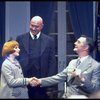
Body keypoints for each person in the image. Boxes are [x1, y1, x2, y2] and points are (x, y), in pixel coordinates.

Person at [32, 35, 100, 98]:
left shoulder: (95, 65)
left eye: (78, 42)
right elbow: (59, 77)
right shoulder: (72, 62)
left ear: (86, 47)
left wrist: (83, 79)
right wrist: (40, 81)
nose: (75, 43)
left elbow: (95, 89)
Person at [16, 16, 57, 98]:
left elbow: (52, 62)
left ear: (42, 26)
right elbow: (17, 59)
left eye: (37, 26)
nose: (34, 28)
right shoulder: (20, 38)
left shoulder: (49, 41)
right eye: (32, 25)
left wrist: (48, 83)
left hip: (42, 83)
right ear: (29, 24)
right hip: (24, 81)